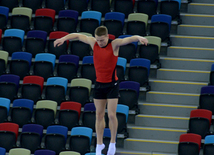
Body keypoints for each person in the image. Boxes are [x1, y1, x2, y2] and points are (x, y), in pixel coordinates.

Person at [54, 26, 148, 155]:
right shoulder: (94, 43)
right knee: (98, 115)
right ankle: (99, 144)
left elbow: (129, 39)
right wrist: (63, 38)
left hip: (112, 85)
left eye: (102, 40)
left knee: (111, 115)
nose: (100, 43)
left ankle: (113, 143)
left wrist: (139, 38)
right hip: (99, 84)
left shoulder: (114, 45)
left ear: (107, 37)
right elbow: (77, 35)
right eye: (98, 40)